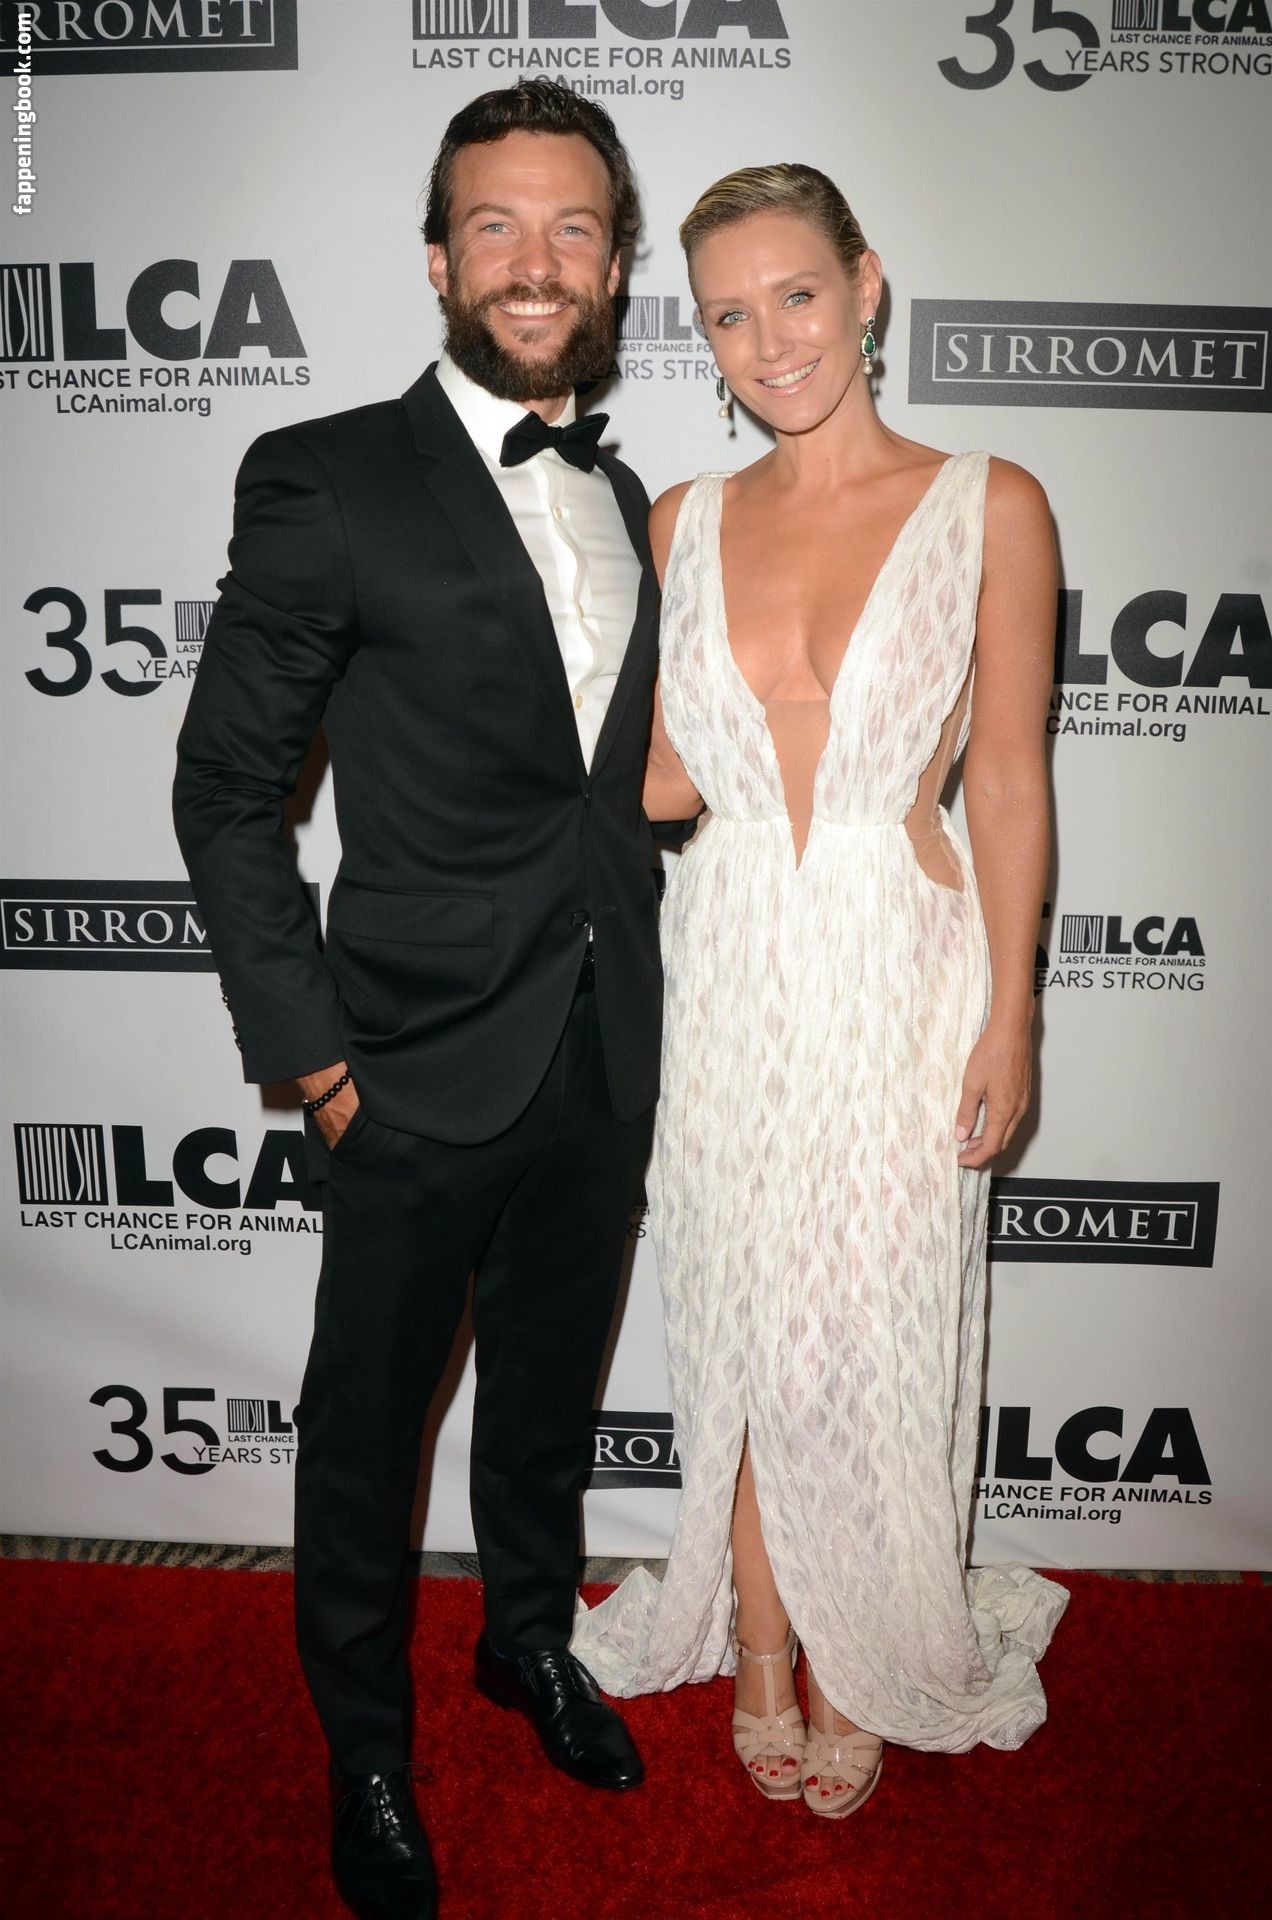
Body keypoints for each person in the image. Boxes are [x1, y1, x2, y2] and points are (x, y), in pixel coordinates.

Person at [173, 80, 663, 1920]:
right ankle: (364, 1747)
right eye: (494, 226)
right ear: (439, 258)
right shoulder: (327, 475)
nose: (535, 262)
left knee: (545, 1393)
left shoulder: (627, 495)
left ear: (613, 262)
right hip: (401, 1063)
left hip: (604, 1043)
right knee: (368, 1438)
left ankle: (526, 1638)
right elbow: (228, 791)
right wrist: (311, 1060)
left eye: (571, 228)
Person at [570, 164, 1069, 1816]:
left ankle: (862, 1651)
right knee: (738, 1319)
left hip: (896, 958)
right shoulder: (682, 521)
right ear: (703, 339)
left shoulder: (990, 504)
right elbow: (659, 784)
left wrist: (1012, 1011)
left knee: (862, 1329)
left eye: (797, 293)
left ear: (867, 287)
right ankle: (766, 1641)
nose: (770, 338)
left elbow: (1009, 782)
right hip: (725, 958)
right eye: (729, 313)